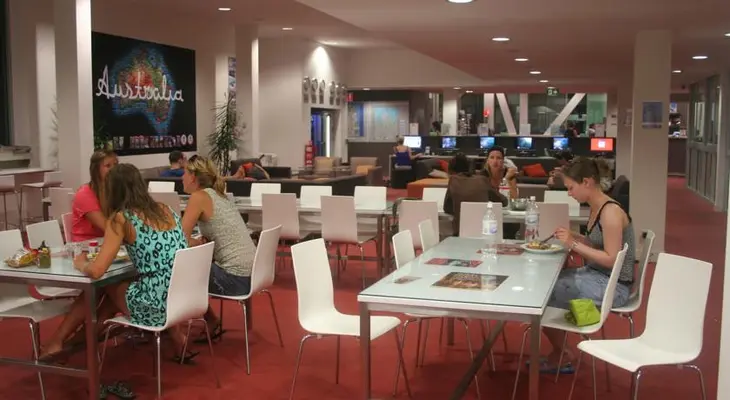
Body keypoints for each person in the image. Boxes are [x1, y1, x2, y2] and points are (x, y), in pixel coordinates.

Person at [41, 164, 195, 362]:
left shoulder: (122, 219)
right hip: (181, 298)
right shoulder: (166, 209)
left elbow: (97, 270)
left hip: (155, 306)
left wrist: (81, 263)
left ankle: (63, 341)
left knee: (104, 284)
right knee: (110, 298)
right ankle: (71, 342)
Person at [540, 157, 636, 374]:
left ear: (587, 182)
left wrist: (572, 243)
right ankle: (561, 348)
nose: (569, 193)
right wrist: (575, 236)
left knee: (543, 293)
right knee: (547, 282)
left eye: (571, 188)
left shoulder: (610, 212)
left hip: (615, 286)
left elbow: (611, 258)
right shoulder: (597, 208)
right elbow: (597, 244)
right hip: (599, 275)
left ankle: (563, 353)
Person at [181, 156, 257, 339]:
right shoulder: (219, 195)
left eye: (184, 173)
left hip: (235, 280)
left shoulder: (199, 197)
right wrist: (200, 243)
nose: (181, 177)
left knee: (177, 271)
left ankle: (171, 328)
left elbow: (179, 239)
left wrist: (197, 243)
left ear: (193, 177)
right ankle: (208, 320)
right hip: (253, 275)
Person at [443, 153, 507, 234]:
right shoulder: (482, 180)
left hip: (460, 235)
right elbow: (504, 201)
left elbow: (447, 208)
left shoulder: (453, 180)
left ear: (451, 171)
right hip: (486, 233)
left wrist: (460, 209)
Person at [71, 150, 118, 242]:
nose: (114, 169)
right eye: (108, 166)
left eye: (115, 165)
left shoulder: (115, 190)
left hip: (108, 239)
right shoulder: (84, 194)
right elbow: (106, 226)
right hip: (87, 244)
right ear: (96, 170)